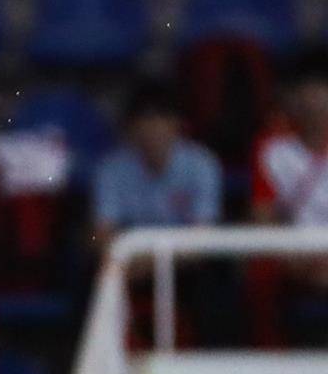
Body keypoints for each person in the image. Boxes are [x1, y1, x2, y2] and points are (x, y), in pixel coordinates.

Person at [93, 82, 234, 346]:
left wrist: (154, 263)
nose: (152, 129)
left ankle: (212, 359)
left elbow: (202, 240)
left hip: (183, 265)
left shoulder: (202, 165)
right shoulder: (111, 169)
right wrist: (124, 263)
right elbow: (102, 234)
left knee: (217, 281)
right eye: (144, 120)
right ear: (130, 128)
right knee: (93, 279)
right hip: (130, 266)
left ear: (176, 124)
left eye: (160, 118)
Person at [250, 50, 328, 344]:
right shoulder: (272, 148)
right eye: (306, 91)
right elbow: (262, 219)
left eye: (321, 91)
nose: (314, 101)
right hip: (293, 258)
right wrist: (294, 262)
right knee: (258, 271)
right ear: (292, 98)